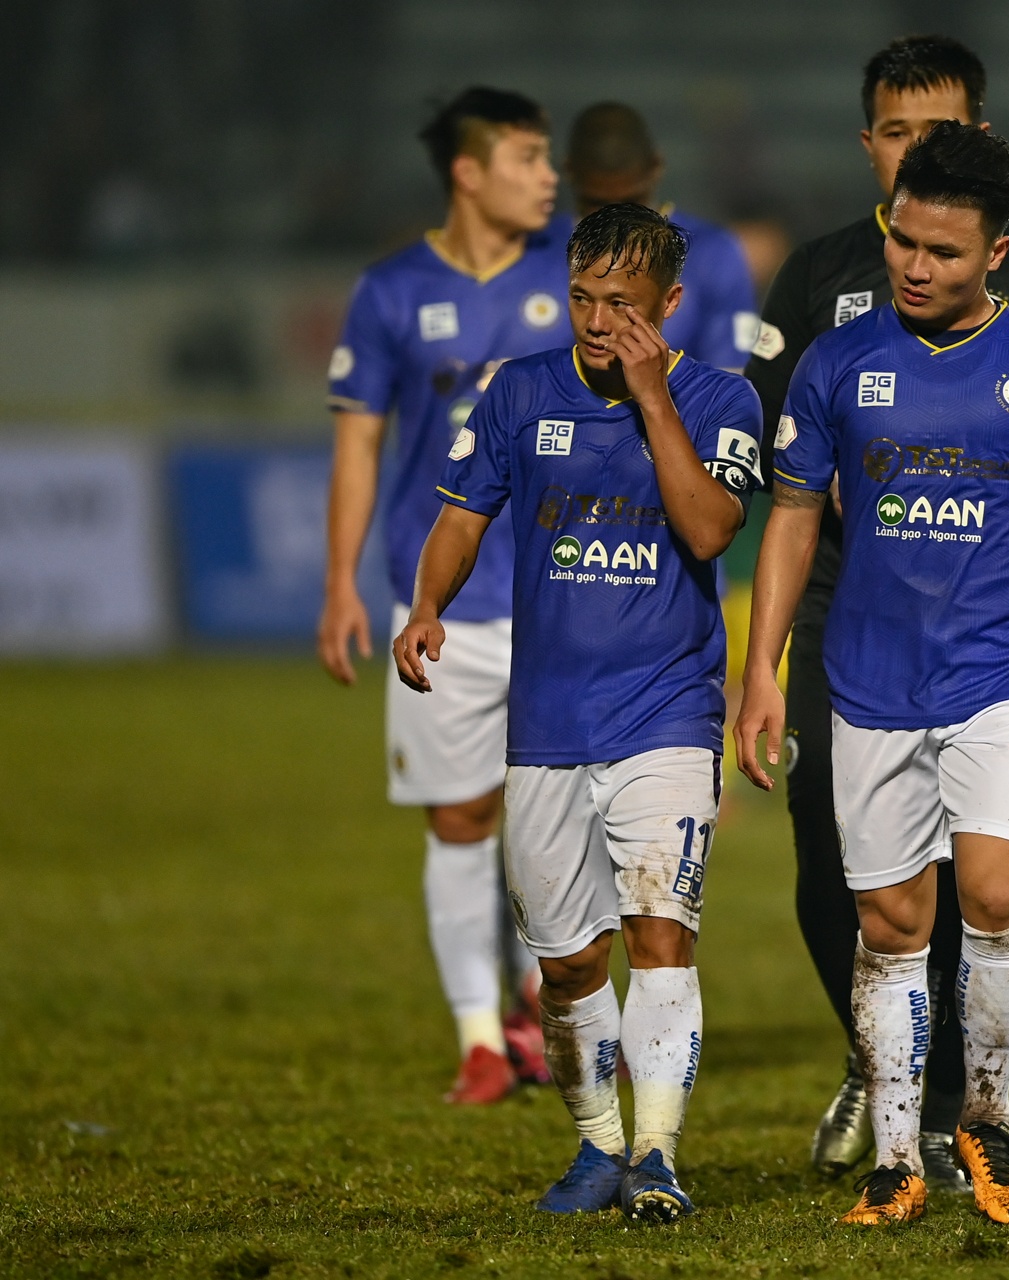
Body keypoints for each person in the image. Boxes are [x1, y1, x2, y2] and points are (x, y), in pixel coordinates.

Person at [736, 120, 1009, 1228]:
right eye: (906, 244)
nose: (917, 267)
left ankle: (990, 1116)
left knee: (997, 894)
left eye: (945, 253)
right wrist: (763, 668)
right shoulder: (836, 361)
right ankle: (899, 1150)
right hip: (867, 679)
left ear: (995, 255)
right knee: (892, 924)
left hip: (1002, 675)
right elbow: (789, 521)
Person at [395, 202, 762, 1219]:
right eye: (584, 298)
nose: (598, 321)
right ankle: (597, 1144)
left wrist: (653, 400)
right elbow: (461, 516)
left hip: (669, 709)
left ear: (671, 307)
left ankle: (656, 1153)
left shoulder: (723, 400)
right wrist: (430, 604)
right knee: (567, 961)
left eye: (624, 305)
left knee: (661, 927)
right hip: (547, 716)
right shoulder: (519, 393)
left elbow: (708, 527)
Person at [319, 86, 566, 1104]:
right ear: (468, 173)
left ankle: (538, 1006)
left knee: (556, 821)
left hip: (565, 597)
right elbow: (359, 442)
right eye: (526, 157)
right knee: (461, 818)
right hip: (443, 605)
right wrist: (340, 581)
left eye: (550, 158)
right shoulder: (388, 292)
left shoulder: (571, 283)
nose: (548, 175)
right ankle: (479, 1035)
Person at [566, 101, 760, 372]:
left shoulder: (712, 252)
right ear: (569, 172)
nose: (616, 220)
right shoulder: (538, 247)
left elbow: (732, 378)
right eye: (597, 204)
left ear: (656, 167)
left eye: (632, 201)